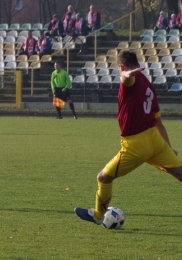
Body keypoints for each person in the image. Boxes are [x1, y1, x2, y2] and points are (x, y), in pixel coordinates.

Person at [74, 50, 182, 225]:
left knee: (103, 178)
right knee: (179, 173)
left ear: (121, 66)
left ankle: (98, 215)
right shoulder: (148, 85)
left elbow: (127, 79)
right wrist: (168, 146)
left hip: (136, 145)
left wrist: (125, 75)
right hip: (155, 140)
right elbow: (159, 123)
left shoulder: (129, 81)